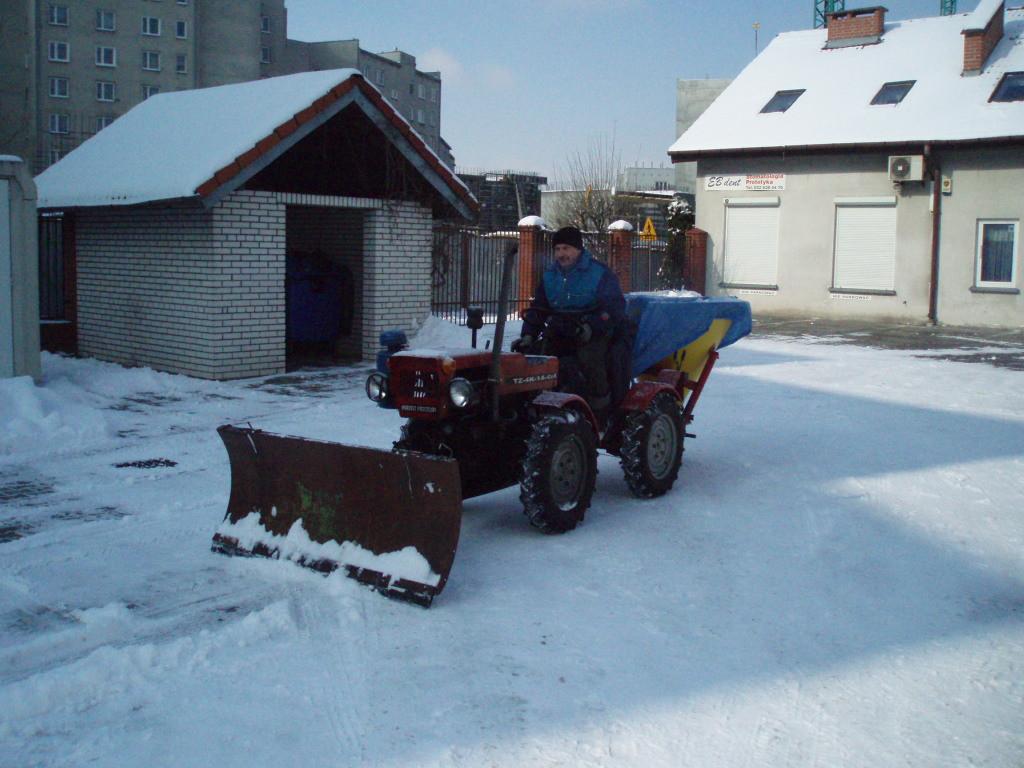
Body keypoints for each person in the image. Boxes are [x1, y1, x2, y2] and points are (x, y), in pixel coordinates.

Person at [512, 226, 626, 420]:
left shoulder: (599, 273)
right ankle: (534, 408)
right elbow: (539, 308)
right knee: (534, 358)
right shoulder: (550, 276)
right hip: (560, 330)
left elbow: (614, 307)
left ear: (578, 249)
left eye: (566, 248)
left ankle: (600, 414)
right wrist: (528, 334)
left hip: (594, 332)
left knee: (590, 360)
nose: (561, 254)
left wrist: (591, 326)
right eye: (557, 249)